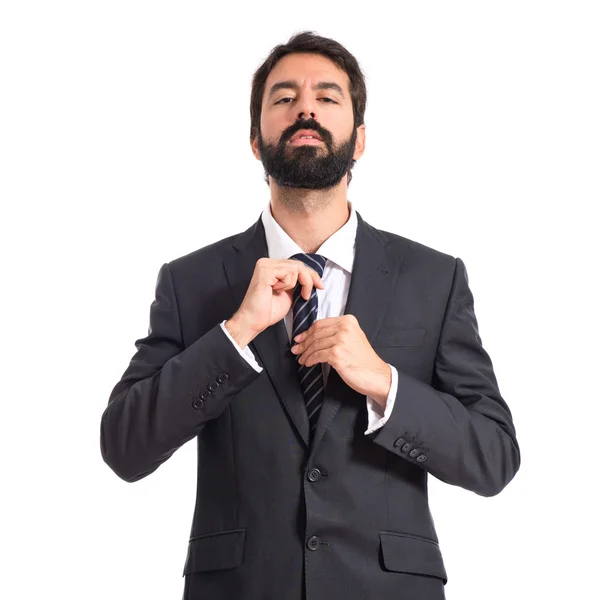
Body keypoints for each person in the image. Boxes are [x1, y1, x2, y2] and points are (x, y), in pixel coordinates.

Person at [100, 30, 520, 600]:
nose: (305, 108)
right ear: (255, 139)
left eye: (327, 97)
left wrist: (384, 384)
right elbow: (124, 447)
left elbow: (493, 457)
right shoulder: (190, 282)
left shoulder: (435, 278)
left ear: (360, 139)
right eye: (284, 98)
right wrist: (236, 332)